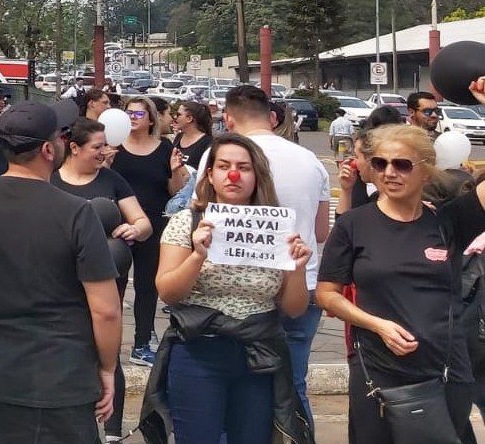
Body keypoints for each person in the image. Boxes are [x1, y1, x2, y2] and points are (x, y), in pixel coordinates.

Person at [0, 101, 121, 444]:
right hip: (61, 381)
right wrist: (108, 369)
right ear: (47, 149)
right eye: (59, 136)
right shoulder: (75, 213)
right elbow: (107, 310)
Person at [318, 119, 485, 443]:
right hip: (377, 370)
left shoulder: (447, 221)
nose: (389, 172)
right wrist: (377, 324)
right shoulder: (354, 224)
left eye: (401, 164)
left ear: (425, 170)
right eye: (380, 163)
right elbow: (327, 294)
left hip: (445, 370)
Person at [143, 133, 312, 444]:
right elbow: (167, 291)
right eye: (224, 166)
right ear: (211, 174)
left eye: (243, 167)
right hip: (198, 351)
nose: (233, 175)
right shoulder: (187, 222)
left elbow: (294, 308)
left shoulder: (279, 229)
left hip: (258, 355)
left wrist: (298, 269)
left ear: (257, 175)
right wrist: (197, 256)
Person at [198, 85, 330, 424]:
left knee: (236, 391)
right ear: (271, 117)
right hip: (305, 281)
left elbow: (201, 215)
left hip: (238, 291)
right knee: (294, 385)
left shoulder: (217, 157)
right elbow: (320, 232)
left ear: (227, 118)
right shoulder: (309, 159)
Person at [50, 117, 152, 441]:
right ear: (74, 147)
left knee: (108, 352)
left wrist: (135, 228)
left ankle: (111, 430)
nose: (104, 152)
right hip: (61, 283)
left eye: (105, 145)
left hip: (107, 278)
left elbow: (143, 221)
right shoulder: (51, 181)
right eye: (97, 146)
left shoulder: (112, 180)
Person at [111, 96, 188, 366]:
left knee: (147, 287)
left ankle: (142, 342)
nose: (133, 118)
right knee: (114, 287)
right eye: (129, 113)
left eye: (139, 114)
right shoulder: (114, 148)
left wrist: (177, 171)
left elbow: (174, 190)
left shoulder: (164, 147)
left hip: (154, 224)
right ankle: (109, 343)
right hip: (117, 226)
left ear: (151, 119)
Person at [172, 101, 213, 171]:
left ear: (189, 119)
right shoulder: (179, 136)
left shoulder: (208, 142)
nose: (175, 118)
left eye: (178, 115)